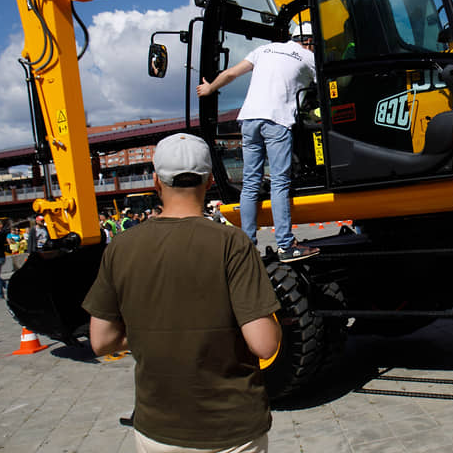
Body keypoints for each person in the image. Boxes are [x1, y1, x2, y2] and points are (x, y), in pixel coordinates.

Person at [83, 133, 281, 452]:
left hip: (158, 430)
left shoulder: (120, 247)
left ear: (156, 182)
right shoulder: (232, 243)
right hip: (232, 430)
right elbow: (264, 343)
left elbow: (101, 341)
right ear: (210, 180)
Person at [197, 22, 320, 263]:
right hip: (276, 120)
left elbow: (231, 73)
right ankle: (286, 245)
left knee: (251, 184)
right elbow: (326, 87)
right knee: (280, 183)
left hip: (249, 119)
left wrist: (210, 87)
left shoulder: (265, 49)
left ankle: (248, 245)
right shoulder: (308, 57)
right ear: (308, 41)